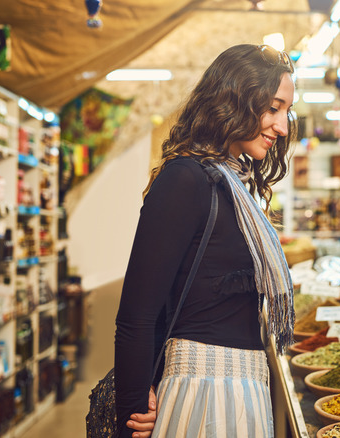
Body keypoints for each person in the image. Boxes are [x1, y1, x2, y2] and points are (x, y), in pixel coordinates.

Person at [114, 44, 297, 438]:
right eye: (273, 108)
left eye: (287, 111)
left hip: (245, 386)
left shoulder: (237, 184)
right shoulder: (186, 178)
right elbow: (136, 315)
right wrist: (132, 408)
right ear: (235, 99)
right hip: (200, 392)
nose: (282, 126)